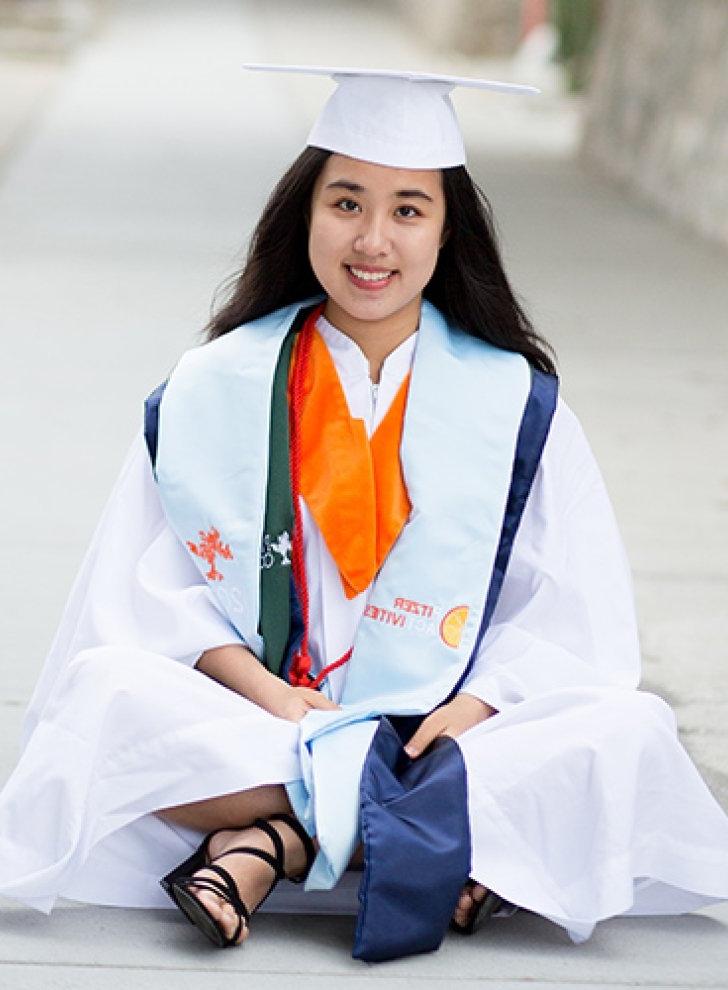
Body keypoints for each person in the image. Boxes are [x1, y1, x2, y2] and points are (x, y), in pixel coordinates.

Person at [1, 65, 727, 963]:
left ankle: (278, 837)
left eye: (408, 210)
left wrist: (475, 711)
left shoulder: (517, 404)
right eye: (346, 203)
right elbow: (148, 599)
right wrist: (276, 703)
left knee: (628, 731)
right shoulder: (213, 388)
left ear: (447, 230)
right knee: (105, 693)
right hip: (269, 724)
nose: (373, 239)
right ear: (304, 213)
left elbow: (572, 618)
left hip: (444, 736)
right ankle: (432, 838)